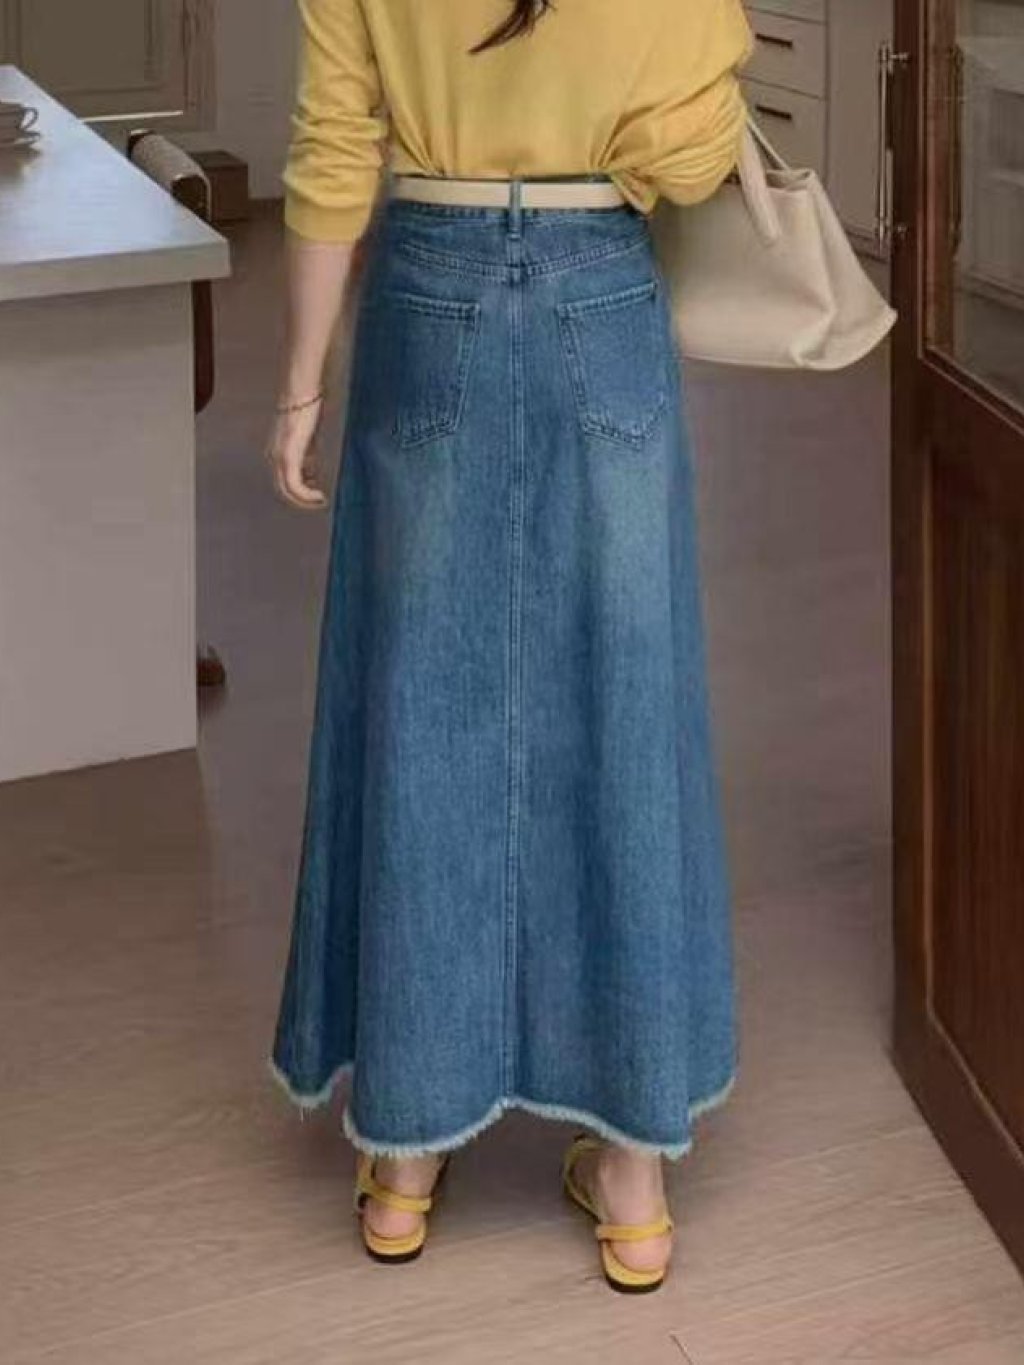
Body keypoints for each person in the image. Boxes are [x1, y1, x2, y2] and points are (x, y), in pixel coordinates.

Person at [265, 0, 754, 1295]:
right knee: (626, 697)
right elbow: (698, 152)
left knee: (423, 695)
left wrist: (302, 381)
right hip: (602, 285)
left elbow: (331, 150)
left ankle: (406, 1163)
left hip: (430, 284)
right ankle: (635, 1183)